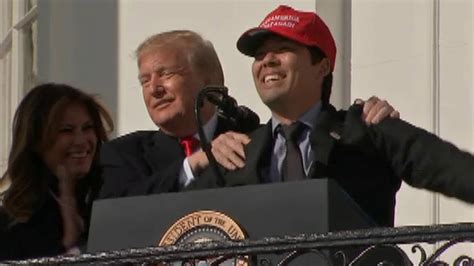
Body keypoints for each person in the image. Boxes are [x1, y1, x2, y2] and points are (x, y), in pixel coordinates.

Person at [191, 5, 474, 227]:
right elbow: (170, 222)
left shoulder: (367, 128)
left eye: (283, 49)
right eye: (260, 54)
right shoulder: (236, 151)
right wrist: (197, 161)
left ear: (322, 67)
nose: (267, 61)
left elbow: (453, 170)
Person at [98, 30, 399, 199]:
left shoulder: (257, 137)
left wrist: (375, 125)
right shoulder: (122, 153)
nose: (154, 89)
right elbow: (113, 214)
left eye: (165, 74)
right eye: (144, 80)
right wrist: (197, 162)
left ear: (209, 80)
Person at [0, 83, 113, 260]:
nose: (81, 140)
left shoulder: (112, 196)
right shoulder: (12, 225)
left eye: (87, 128)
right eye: (66, 130)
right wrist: (70, 245)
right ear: (36, 141)